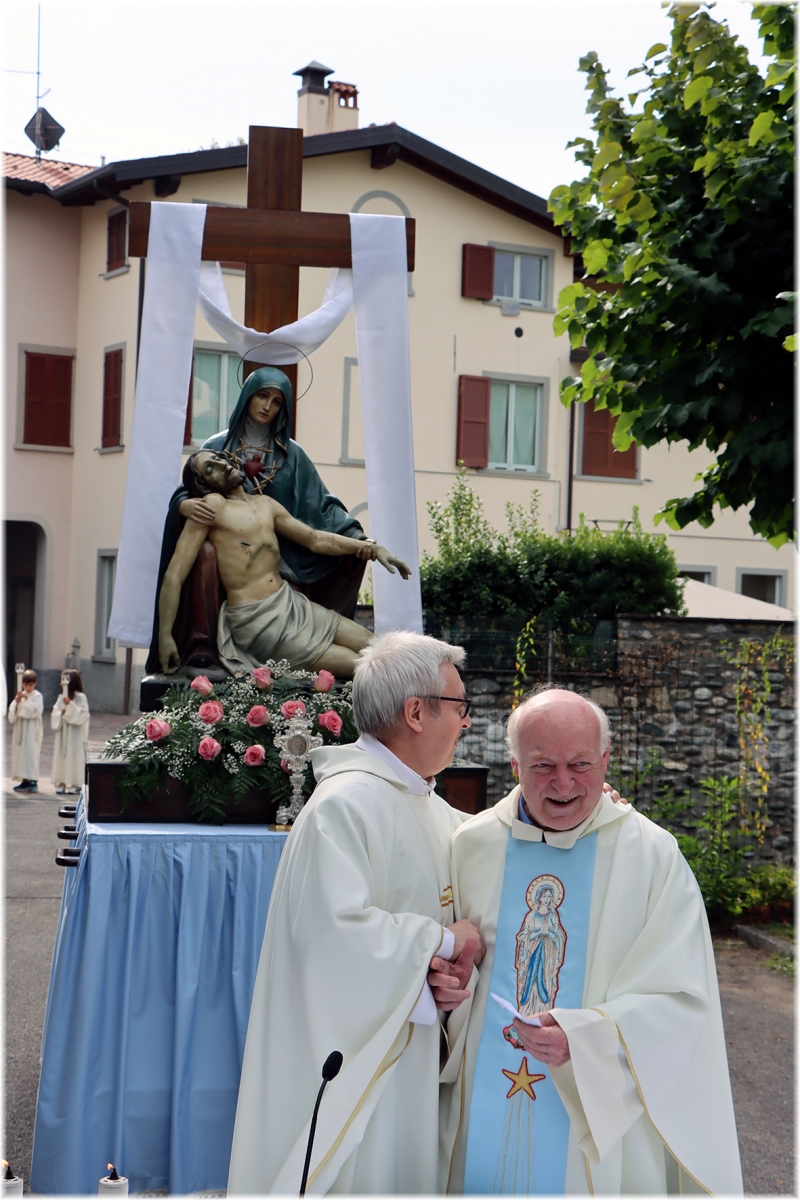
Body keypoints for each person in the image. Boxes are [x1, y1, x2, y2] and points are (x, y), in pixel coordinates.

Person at [438, 686, 742, 1196]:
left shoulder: (652, 857)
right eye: (542, 766)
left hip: (600, 1117)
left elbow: (683, 1000)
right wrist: (447, 983)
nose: (563, 783)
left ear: (606, 759)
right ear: (514, 765)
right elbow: (449, 971)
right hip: (482, 1096)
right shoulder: (471, 845)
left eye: (580, 764)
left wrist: (585, 1040)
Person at [228, 631, 484, 1195]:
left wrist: (588, 810)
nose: (466, 721)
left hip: (408, 1059)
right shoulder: (344, 805)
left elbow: (494, 845)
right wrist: (442, 944)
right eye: (460, 705)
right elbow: (333, 940)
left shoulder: (425, 802)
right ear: (416, 712)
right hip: (353, 1068)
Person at [145, 367, 370, 673]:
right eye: (262, 396)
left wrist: (360, 541)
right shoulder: (216, 450)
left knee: (376, 649)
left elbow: (319, 510)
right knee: (205, 554)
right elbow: (189, 485)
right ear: (247, 397)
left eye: (277, 402)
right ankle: (202, 644)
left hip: (287, 559)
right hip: (245, 588)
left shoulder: (291, 457)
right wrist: (183, 505)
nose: (267, 406)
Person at [157, 451, 410, 678]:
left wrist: (371, 547)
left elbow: (315, 539)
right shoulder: (212, 506)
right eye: (209, 469)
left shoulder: (265, 504)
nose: (220, 466)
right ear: (205, 484)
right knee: (364, 665)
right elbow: (174, 576)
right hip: (257, 621)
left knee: (380, 648)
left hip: (291, 605)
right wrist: (165, 636)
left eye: (217, 459)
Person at [51, 670, 90, 795]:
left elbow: (84, 714)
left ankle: (75, 783)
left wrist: (70, 705)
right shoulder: (61, 697)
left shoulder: (80, 697)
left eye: (64, 680)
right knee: (62, 756)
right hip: (63, 731)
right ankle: (61, 781)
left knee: (74, 756)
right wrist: (60, 713)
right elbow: (55, 712)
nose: (61, 683)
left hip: (75, 733)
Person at [8, 669, 43, 793]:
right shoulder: (20, 695)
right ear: (22, 684)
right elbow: (12, 713)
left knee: (31, 753)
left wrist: (26, 699)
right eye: (26, 684)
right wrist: (16, 703)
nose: (28, 687)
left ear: (35, 683)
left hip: (32, 729)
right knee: (21, 754)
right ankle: (24, 780)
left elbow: (36, 711)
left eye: (31, 685)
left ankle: (33, 780)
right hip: (21, 728)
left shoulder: (37, 696)